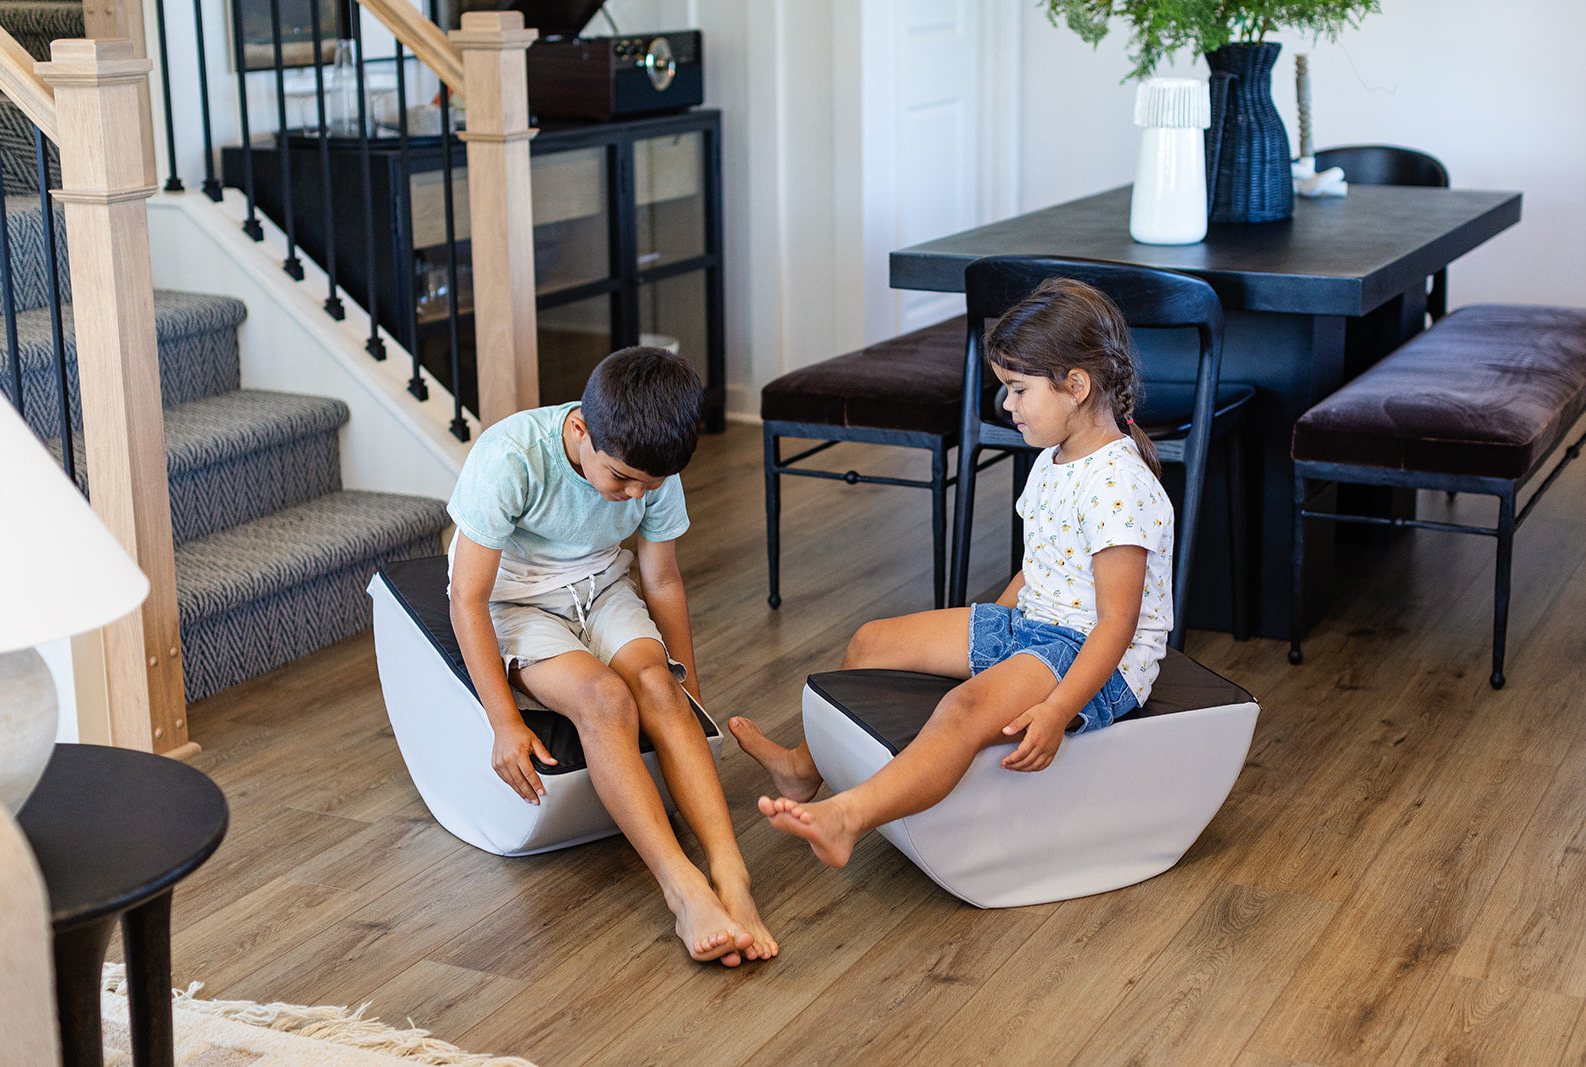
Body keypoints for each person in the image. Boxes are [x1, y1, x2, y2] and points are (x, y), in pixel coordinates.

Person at [731, 278, 1175, 868]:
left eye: (1018, 390)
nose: (1007, 405)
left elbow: (1117, 622)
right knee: (871, 640)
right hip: (1037, 627)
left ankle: (848, 817)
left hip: (1096, 659)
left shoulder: (1118, 484)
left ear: (1076, 386)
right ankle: (801, 769)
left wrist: (1058, 709)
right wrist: (993, 624)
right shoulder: (1053, 460)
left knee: (962, 713)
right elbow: (1042, 564)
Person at [447, 347, 776, 966]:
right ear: (579, 431)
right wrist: (503, 722)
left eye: (646, 487)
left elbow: (664, 581)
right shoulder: (510, 457)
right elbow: (467, 597)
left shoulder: (651, 463)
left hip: (601, 586)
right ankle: (683, 889)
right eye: (620, 479)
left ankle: (732, 877)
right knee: (604, 698)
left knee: (656, 686)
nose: (631, 497)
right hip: (516, 601)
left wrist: (689, 691)